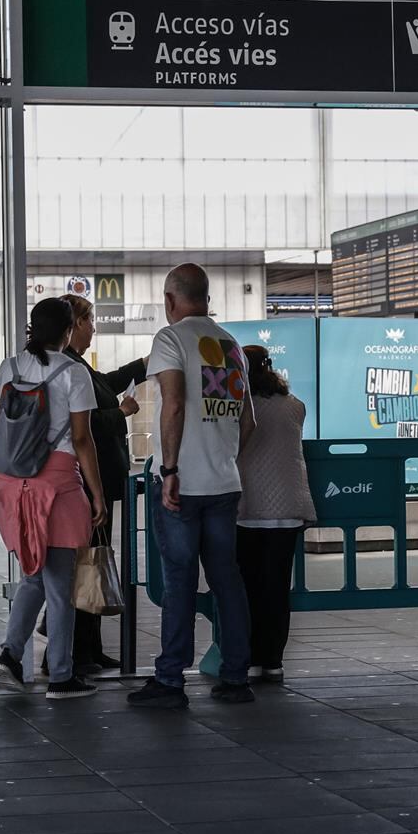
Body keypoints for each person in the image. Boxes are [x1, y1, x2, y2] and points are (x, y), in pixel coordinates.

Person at [126, 263, 255, 709]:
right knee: (227, 579)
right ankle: (236, 677)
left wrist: (173, 469)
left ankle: (170, 681)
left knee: (180, 581)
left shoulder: (170, 338)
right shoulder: (231, 345)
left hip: (183, 486)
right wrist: (223, 458)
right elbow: (249, 422)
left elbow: (174, 404)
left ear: (170, 300)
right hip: (224, 483)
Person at [0, 297, 109, 699]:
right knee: (59, 584)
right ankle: (60, 675)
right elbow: (82, 439)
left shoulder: (11, 367)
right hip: (56, 486)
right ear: (68, 330)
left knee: (33, 577)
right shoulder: (73, 373)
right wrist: (98, 495)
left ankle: (9, 655)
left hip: (11, 486)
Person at [60, 291, 146, 677]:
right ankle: (75, 652)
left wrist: (141, 366)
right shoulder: (69, 368)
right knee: (87, 564)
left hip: (98, 482)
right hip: (88, 483)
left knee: (92, 564)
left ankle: (89, 649)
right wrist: (122, 412)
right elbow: (87, 424)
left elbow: (106, 383)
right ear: (75, 324)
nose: (94, 328)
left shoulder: (79, 366)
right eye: (91, 321)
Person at [234, 344, 317, 685]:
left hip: (246, 508)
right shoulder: (295, 406)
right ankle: (273, 661)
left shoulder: (237, 405)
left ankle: (249, 658)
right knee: (277, 588)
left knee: (248, 587)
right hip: (287, 509)